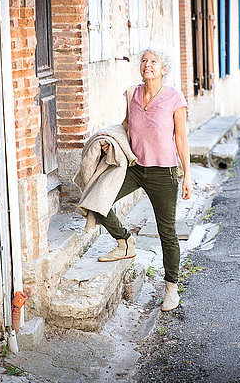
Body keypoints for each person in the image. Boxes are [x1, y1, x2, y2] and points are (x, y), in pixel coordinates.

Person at [94, 46, 192, 312]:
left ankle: (171, 288)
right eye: (144, 60)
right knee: (97, 199)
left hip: (164, 172)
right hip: (135, 167)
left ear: (163, 69)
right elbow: (126, 125)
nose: (147, 64)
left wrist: (187, 176)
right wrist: (111, 142)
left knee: (167, 233)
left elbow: (181, 139)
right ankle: (125, 241)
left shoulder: (174, 98)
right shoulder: (133, 94)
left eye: (153, 61)